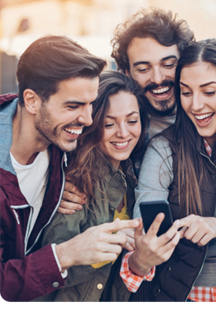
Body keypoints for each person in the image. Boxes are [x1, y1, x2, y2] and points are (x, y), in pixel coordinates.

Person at [119, 39, 216, 303]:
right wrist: (148, 245)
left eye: (209, 92)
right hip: (183, 296)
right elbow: (146, 223)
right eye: (186, 92)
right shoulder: (163, 149)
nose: (195, 105)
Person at [0, 35, 139, 302]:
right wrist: (68, 253)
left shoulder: (62, 146)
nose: (87, 120)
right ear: (31, 101)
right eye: (74, 106)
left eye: (90, 104)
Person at [58, 7, 195, 213]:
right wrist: (57, 189)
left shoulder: (206, 121)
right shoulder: (99, 117)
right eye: (143, 69)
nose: (158, 79)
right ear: (125, 73)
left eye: (168, 64)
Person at [32, 71, 148, 303]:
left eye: (132, 121)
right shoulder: (77, 182)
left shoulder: (133, 177)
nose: (123, 132)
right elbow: (52, 270)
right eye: (109, 123)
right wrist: (109, 243)